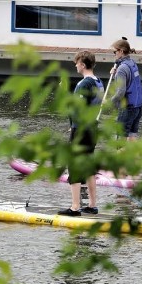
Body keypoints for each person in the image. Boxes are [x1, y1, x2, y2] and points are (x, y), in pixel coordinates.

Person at [59, 51, 104, 217]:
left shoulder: (83, 84)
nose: (75, 65)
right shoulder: (99, 82)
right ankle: (92, 205)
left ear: (83, 65)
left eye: (76, 63)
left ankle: (75, 207)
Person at [109, 37, 142, 141]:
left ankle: (120, 157)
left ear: (121, 51)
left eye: (115, 52)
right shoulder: (132, 63)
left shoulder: (122, 68)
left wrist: (109, 102)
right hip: (138, 106)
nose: (114, 54)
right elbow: (130, 80)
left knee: (120, 141)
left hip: (127, 108)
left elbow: (120, 91)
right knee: (132, 138)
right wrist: (116, 74)